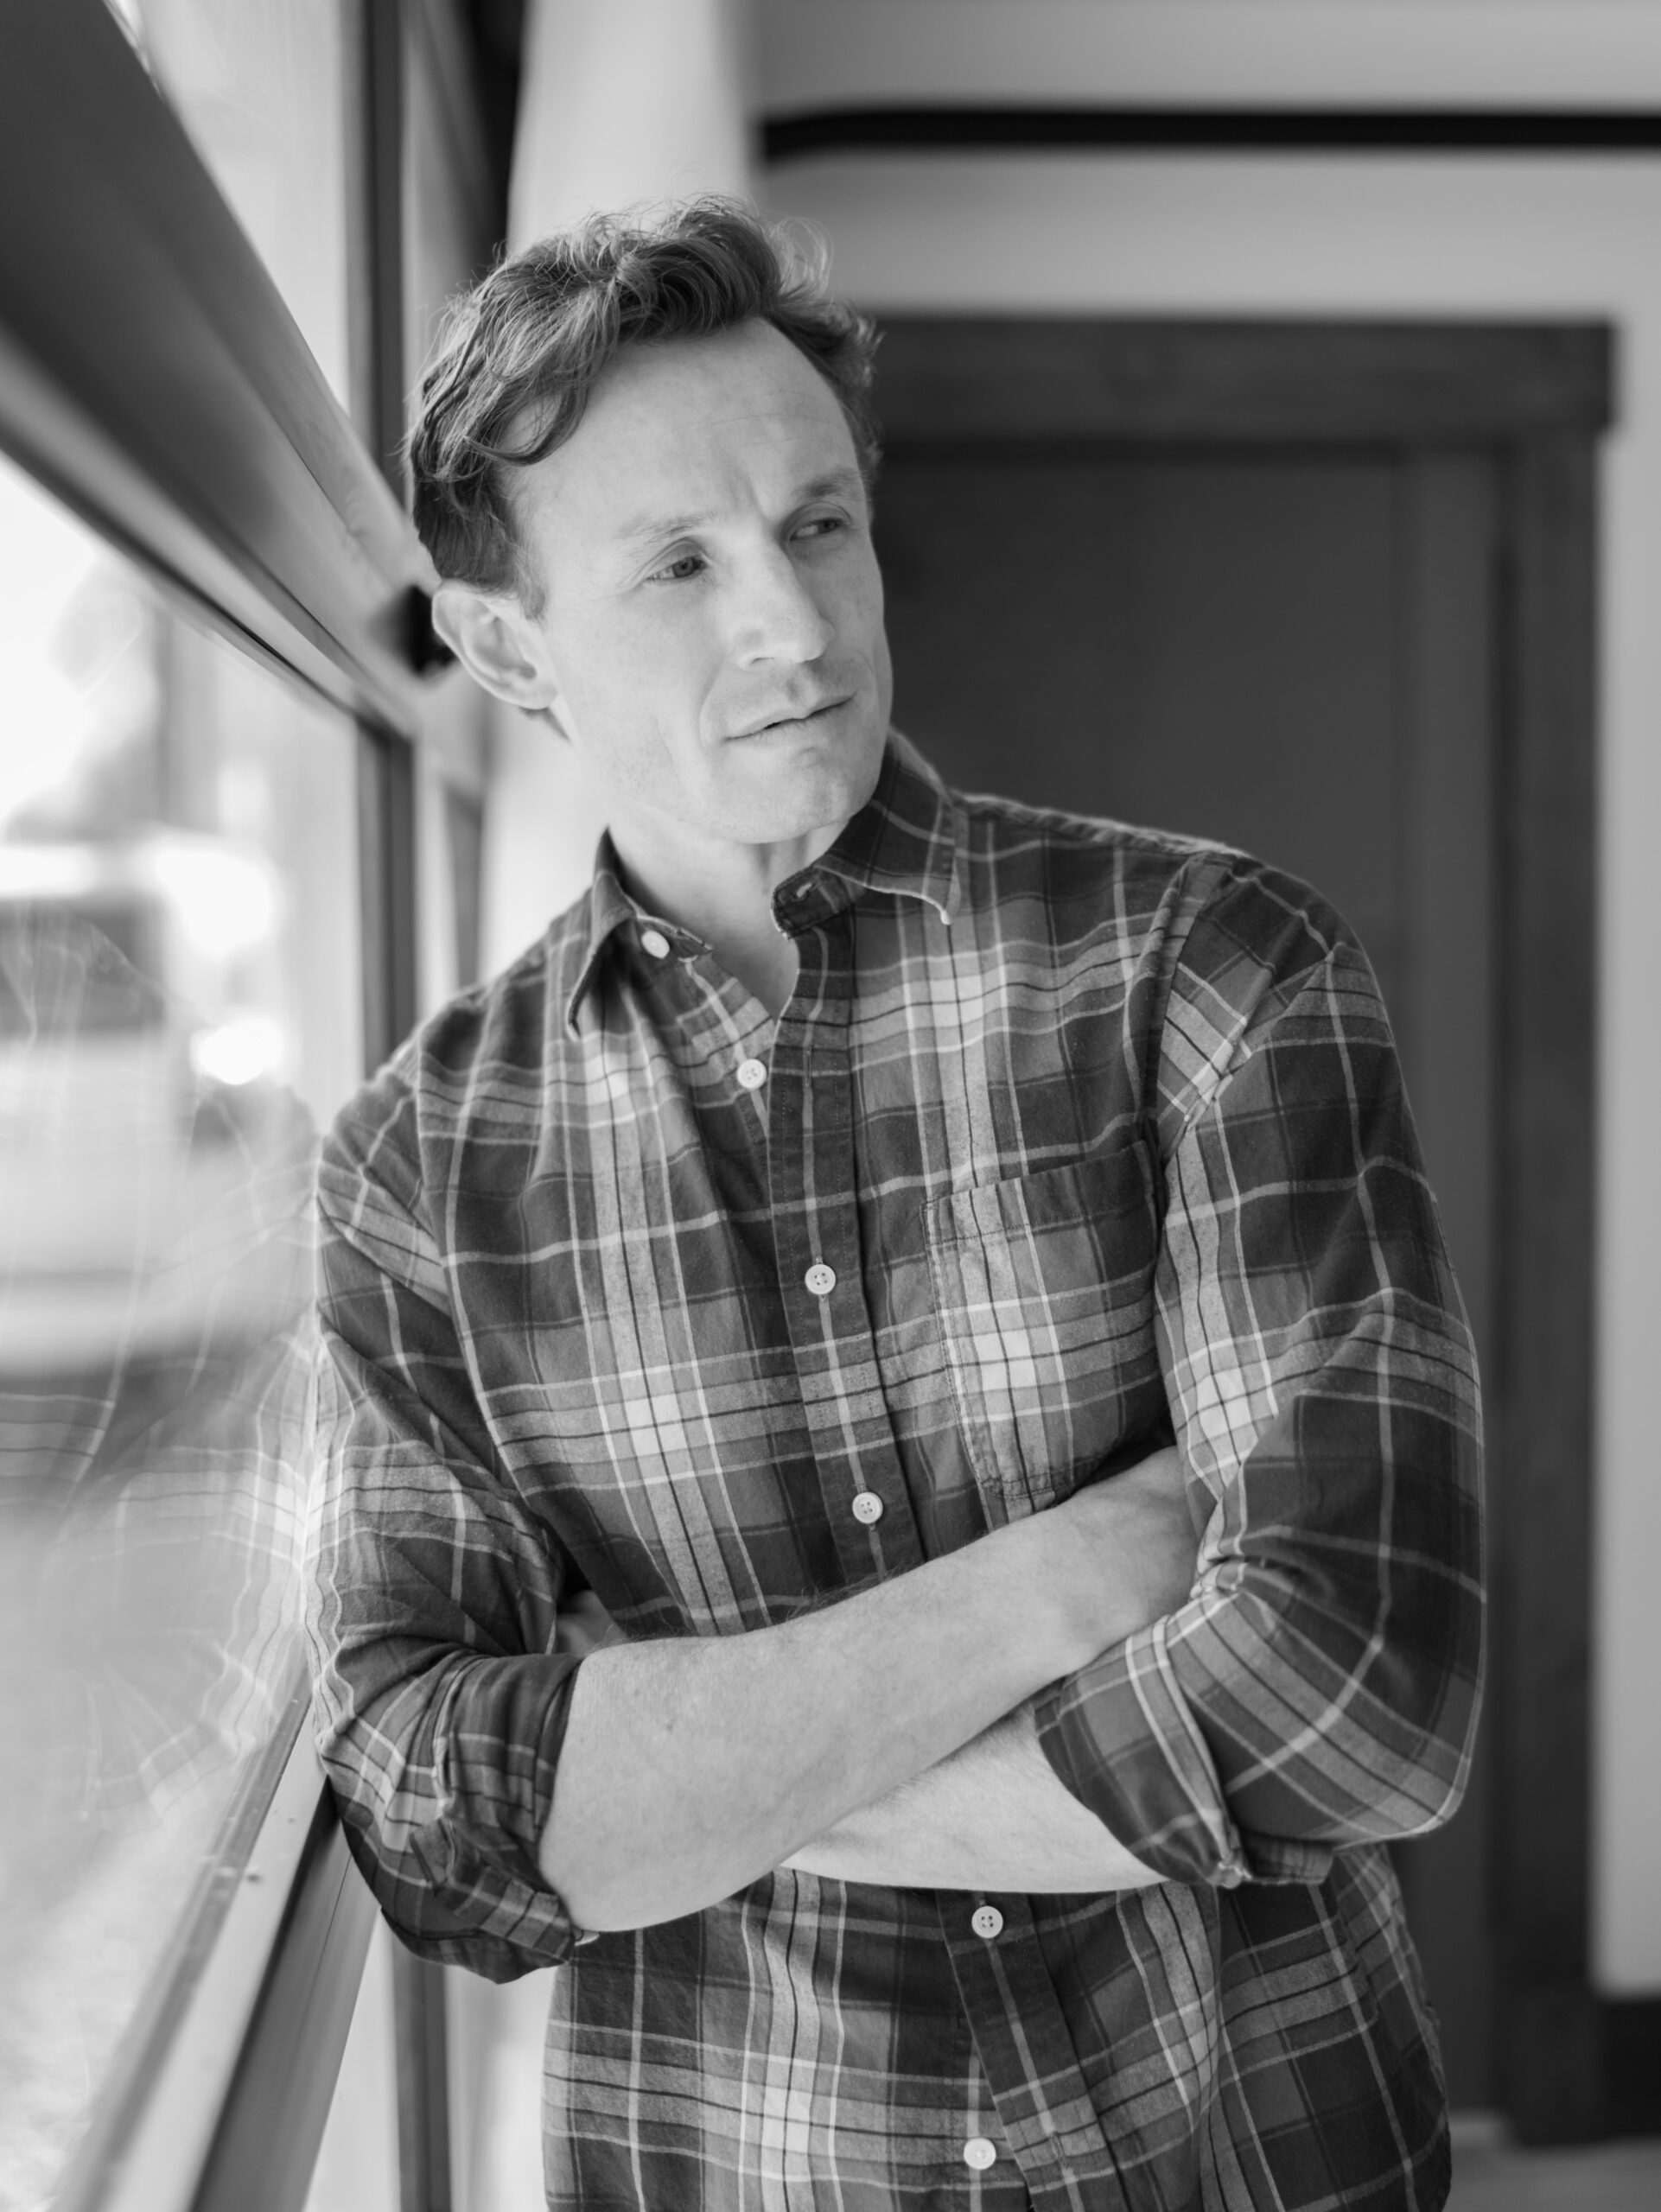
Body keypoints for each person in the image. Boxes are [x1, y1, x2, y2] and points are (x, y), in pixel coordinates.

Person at [306, 198, 1483, 2211]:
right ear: (508, 642)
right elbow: (438, 1822)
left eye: (819, 523)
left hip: (1254, 2153)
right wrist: (1066, 1577)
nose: (795, 623)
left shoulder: (1209, 964)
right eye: (677, 562)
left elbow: (1357, 1703)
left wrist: (666, 1777)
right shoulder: (420, 1167)